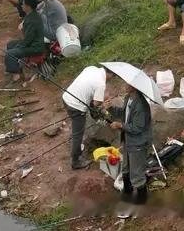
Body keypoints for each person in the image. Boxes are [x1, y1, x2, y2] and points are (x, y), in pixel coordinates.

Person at [107, 82, 153, 216]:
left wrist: (120, 125)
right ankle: (127, 195)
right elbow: (123, 114)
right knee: (126, 169)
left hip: (138, 143)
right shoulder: (129, 98)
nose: (124, 84)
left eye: (127, 83)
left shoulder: (142, 105)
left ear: (134, 86)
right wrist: (110, 108)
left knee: (137, 174)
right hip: (128, 140)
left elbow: (137, 127)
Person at [62, 65, 115, 169]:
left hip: (66, 97)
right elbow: (96, 104)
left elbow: (88, 88)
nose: (111, 79)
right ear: (110, 74)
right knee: (78, 134)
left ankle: (77, 149)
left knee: (78, 124)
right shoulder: (101, 84)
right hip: (76, 107)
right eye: (112, 77)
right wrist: (103, 105)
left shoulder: (91, 68)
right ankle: (75, 162)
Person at [3, 0, 45, 85]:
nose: (21, 5)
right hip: (32, 43)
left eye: (23, 4)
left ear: (28, 6)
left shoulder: (32, 19)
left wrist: (19, 46)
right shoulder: (31, 15)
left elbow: (27, 40)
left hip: (35, 47)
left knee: (10, 54)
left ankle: (16, 76)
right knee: (10, 44)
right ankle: (16, 66)